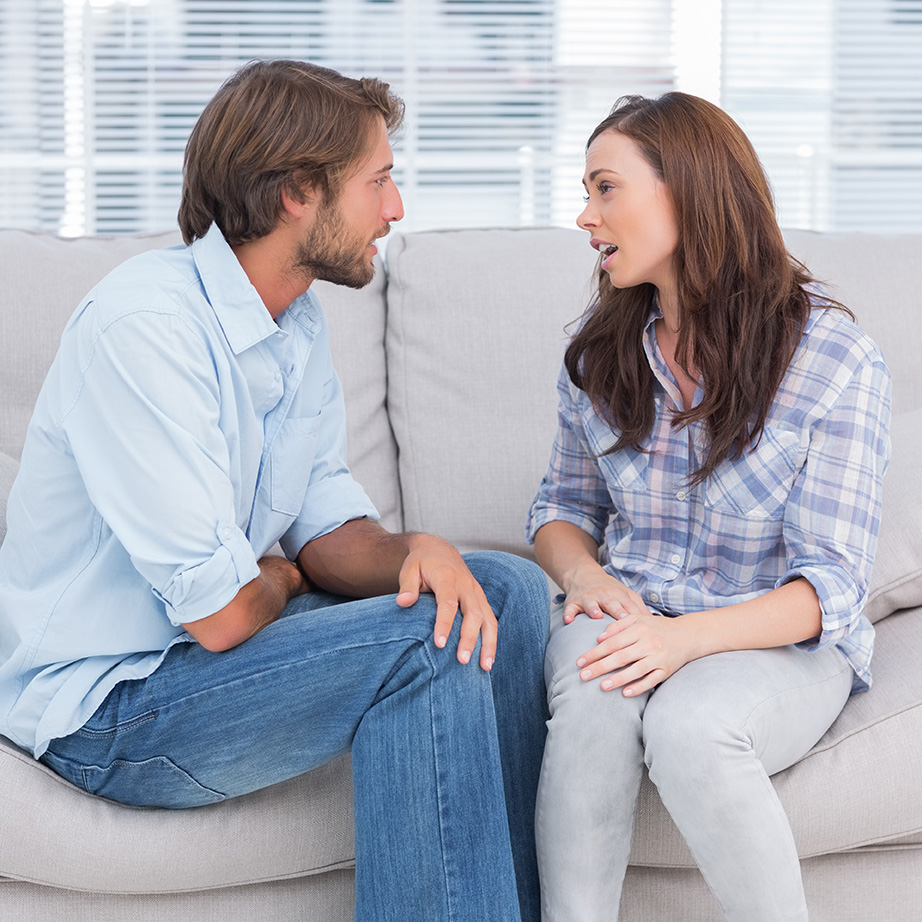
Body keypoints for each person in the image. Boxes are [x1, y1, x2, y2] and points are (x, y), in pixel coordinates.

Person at [0, 59, 549, 922]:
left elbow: (323, 527)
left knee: (507, 591)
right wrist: (287, 578)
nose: (395, 210)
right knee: (428, 641)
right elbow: (221, 615)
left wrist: (418, 550)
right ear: (299, 191)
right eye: (379, 181)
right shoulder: (146, 329)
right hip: (112, 707)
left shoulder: (292, 324)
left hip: (207, 657)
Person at [527, 92, 891, 922]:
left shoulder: (833, 359)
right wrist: (582, 574)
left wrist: (680, 640)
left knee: (693, 726)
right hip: (633, 602)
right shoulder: (600, 353)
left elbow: (829, 586)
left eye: (604, 188)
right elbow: (559, 507)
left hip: (776, 637)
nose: (585, 217)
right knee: (593, 692)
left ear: (686, 191)